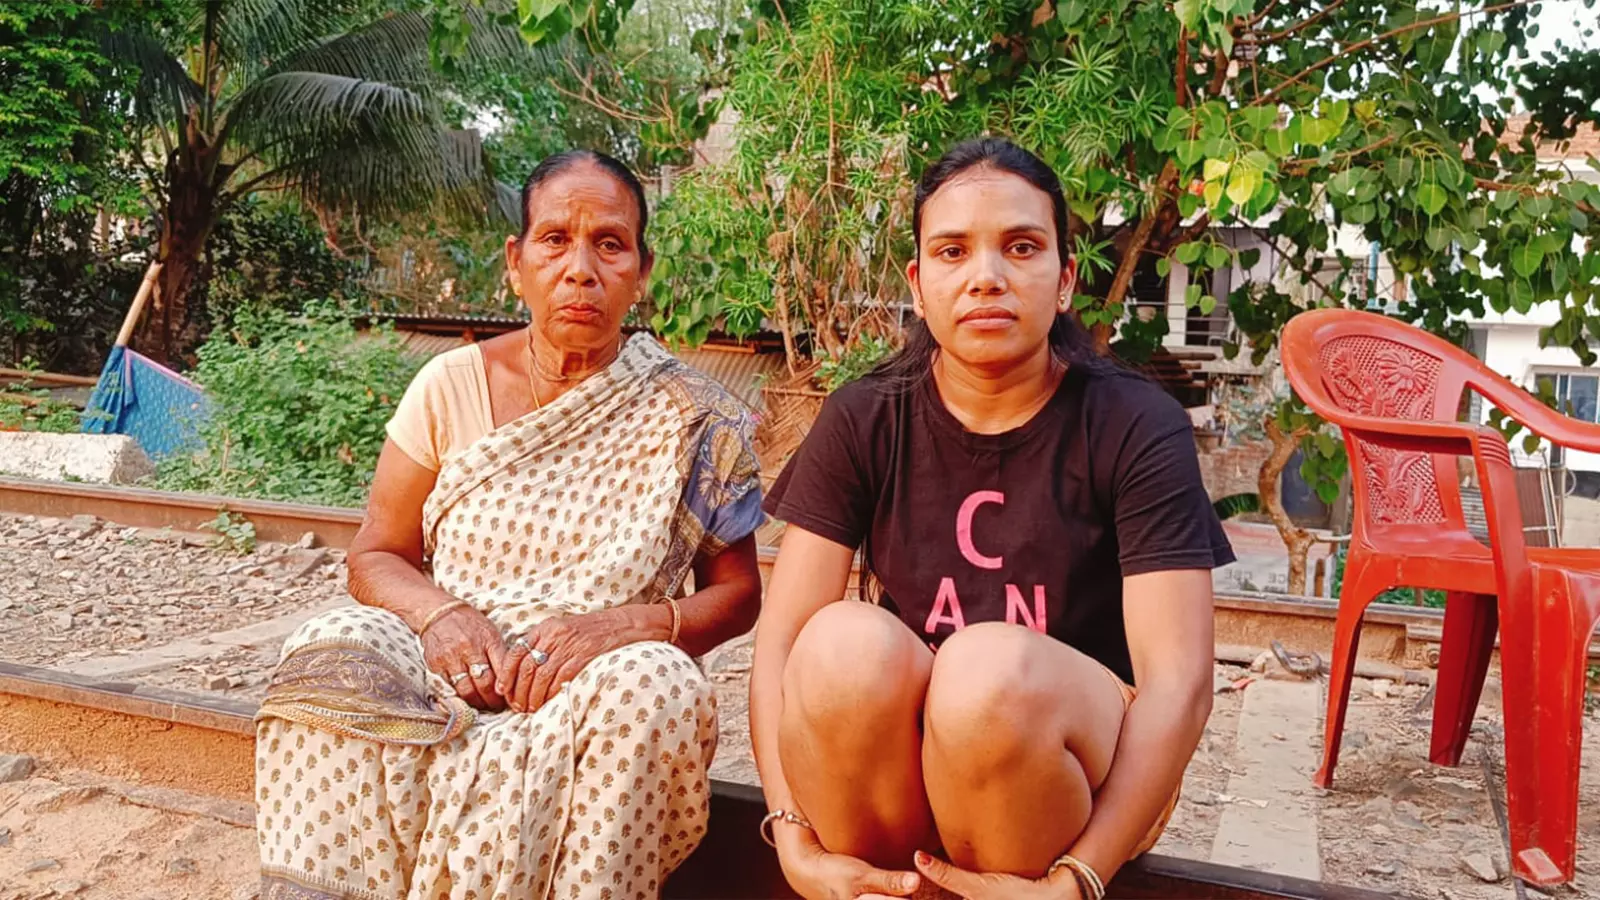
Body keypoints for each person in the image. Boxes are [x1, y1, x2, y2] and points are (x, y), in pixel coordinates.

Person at [253, 150, 766, 900]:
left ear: (642, 270)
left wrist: (629, 626)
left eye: (610, 244)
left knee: (660, 684)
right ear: (516, 262)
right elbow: (377, 555)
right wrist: (443, 618)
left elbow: (739, 594)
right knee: (331, 646)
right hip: (450, 668)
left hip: (596, 681)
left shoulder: (694, 415)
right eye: (555, 239)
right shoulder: (448, 385)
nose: (581, 268)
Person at [750, 137, 1235, 900]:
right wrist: (790, 837)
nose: (986, 278)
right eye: (952, 251)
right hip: (904, 775)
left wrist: (1082, 878)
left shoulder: (1136, 425)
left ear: (1066, 278)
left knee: (986, 677)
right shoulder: (864, 417)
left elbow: (1180, 684)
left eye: (1021, 247)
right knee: (840, 648)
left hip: (1084, 781)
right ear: (917, 282)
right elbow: (780, 649)